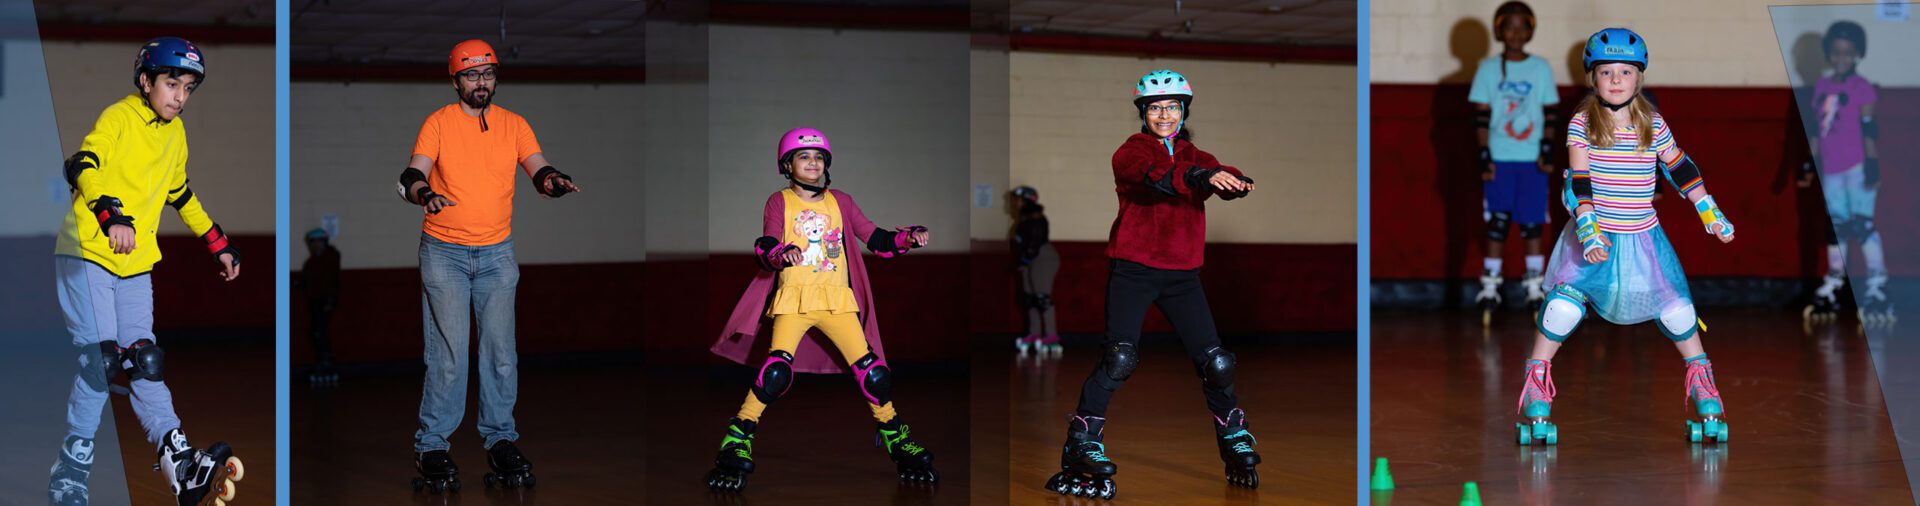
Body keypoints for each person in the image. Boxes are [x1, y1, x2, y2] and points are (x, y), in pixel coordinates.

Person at [48, 36, 246, 506]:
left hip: (135, 262)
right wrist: (109, 214)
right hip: (86, 251)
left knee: (143, 358)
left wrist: (217, 243)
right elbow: (81, 166)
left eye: (188, 88)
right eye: (171, 83)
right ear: (145, 81)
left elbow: (180, 195)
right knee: (101, 361)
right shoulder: (118, 117)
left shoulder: (176, 135)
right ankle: (71, 470)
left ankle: (177, 461)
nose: (179, 95)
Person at [1045, 69, 1261, 500]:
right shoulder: (1131, 151)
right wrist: (1202, 178)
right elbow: (1159, 176)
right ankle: (1083, 441)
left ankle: (1233, 434)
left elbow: (1216, 170)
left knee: (1216, 362)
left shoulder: (1197, 154)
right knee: (1120, 357)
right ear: (1143, 113)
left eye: (1172, 107)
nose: (1164, 114)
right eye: (1156, 108)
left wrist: (1233, 181)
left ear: (1184, 111)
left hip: (1183, 276)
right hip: (1134, 270)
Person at [1515, 28, 1736, 447]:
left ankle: (1703, 386)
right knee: (1561, 310)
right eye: (1606, 72)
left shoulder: (1652, 122)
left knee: (1678, 314)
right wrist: (1587, 228)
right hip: (1595, 232)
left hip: (1643, 240)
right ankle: (1536, 385)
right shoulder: (1583, 123)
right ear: (1592, 79)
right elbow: (1579, 183)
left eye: (1626, 72)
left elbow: (1680, 167)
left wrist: (1709, 211)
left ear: (1640, 78)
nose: (1616, 80)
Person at [704, 127, 939, 492]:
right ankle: (736, 437)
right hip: (795, 300)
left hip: (836, 301)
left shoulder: (841, 201)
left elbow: (875, 239)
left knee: (873, 374)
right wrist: (778, 252)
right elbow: (767, 241)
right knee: (776, 372)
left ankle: (895, 436)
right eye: (803, 157)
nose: (812, 163)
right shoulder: (779, 201)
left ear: (826, 164)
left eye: (818, 157)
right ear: (787, 165)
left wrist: (907, 237)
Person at [396, 38, 581, 493]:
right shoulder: (438, 123)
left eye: (488, 74)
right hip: (444, 253)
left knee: (500, 355)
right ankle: (433, 445)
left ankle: (500, 439)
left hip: (498, 254)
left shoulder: (514, 125)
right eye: (472, 75)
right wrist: (425, 194)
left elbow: (537, 167)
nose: (482, 83)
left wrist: (552, 179)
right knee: (450, 355)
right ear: (455, 80)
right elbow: (412, 174)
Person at [1470, 1, 1562, 322]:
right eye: (1509, 26)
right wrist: (1483, 156)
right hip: (1499, 157)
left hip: (1531, 161)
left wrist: (1547, 150)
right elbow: (1481, 118)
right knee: (1497, 223)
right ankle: (1490, 286)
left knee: (1532, 223)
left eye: (1523, 26)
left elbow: (1550, 112)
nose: (1516, 33)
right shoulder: (1487, 69)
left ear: (1531, 30)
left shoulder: (1540, 68)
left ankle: (1534, 286)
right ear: (1499, 30)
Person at [1798, 20, 1888, 323]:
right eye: (1836, 52)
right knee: (1835, 227)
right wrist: (1810, 161)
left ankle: (1878, 288)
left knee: (1862, 226)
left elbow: (1868, 127)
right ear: (1829, 54)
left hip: (1859, 166)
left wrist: (1873, 163)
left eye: (1848, 53)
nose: (1841, 58)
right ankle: (1835, 284)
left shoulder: (1862, 88)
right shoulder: (1822, 87)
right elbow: (1817, 128)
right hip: (1832, 169)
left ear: (1858, 54)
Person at [1010, 185, 1061, 356]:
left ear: (1026, 200)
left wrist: (1024, 260)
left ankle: (1051, 336)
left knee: (1041, 297)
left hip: (1042, 257)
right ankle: (1034, 333)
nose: (1014, 203)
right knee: (1030, 298)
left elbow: (1035, 243)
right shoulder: (1023, 219)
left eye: (1017, 199)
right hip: (1030, 259)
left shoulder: (1037, 218)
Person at [302, 227, 342, 384]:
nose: (315, 246)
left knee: (320, 332)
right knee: (316, 332)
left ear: (323, 242)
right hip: (314, 301)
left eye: (317, 242)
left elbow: (332, 282)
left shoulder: (330, 257)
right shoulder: (312, 261)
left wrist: (330, 301)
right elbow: (309, 280)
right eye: (313, 243)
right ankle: (323, 361)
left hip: (326, 301)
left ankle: (327, 362)